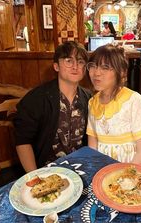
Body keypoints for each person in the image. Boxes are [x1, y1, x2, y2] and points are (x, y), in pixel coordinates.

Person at [13, 41, 91, 173]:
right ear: (56, 66)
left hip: (79, 168)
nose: (75, 66)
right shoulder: (36, 99)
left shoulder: (88, 98)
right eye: (68, 61)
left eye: (81, 62)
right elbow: (23, 141)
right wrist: (35, 176)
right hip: (45, 170)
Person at [86, 44, 141, 166]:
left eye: (105, 67)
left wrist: (124, 174)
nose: (96, 73)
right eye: (93, 66)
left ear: (122, 72)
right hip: (103, 166)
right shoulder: (92, 102)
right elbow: (92, 144)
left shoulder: (133, 100)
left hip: (132, 166)